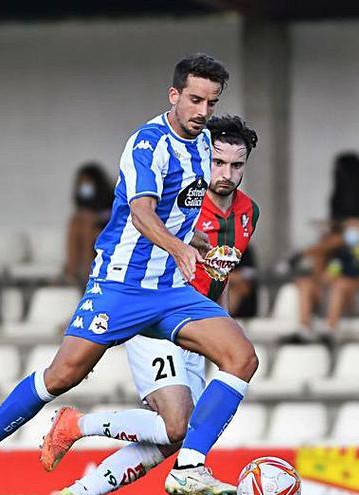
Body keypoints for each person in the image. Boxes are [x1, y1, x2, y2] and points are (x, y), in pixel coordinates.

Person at [0, 54, 258, 495]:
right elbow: (141, 212)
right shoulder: (147, 144)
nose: (203, 112)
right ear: (174, 95)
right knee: (61, 376)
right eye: (195, 100)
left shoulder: (203, 145)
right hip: (120, 286)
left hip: (169, 290)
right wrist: (180, 246)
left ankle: (189, 468)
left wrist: (197, 244)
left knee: (240, 359)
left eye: (211, 102)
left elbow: (178, 208)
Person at [41, 115, 260, 495]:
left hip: (199, 328)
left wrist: (221, 326)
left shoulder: (247, 213)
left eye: (236, 165)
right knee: (177, 425)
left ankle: (78, 491)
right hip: (157, 315)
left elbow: (220, 273)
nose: (225, 173)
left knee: (174, 436)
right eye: (217, 162)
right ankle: (78, 425)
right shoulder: (180, 204)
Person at [294, 216, 359, 337]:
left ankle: (330, 331)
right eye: (347, 229)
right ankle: (304, 330)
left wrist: (345, 284)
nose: (349, 232)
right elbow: (326, 279)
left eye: (354, 227)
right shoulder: (344, 253)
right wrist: (320, 254)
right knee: (305, 283)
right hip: (337, 296)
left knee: (340, 285)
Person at [298, 152, 359, 279]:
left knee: (327, 244)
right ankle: (320, 285)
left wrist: (350, 224)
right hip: (341, 237)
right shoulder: (337, 198)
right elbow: (336, 223)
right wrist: (329, 225)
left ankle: (299, 254)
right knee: (322, 250)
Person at [64, 162, 116, 285]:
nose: (84, 185)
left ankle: (85, 271)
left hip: (106, 231)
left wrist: (96, 218)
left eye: (87, 181)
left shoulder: (111, 197)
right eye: (81, 182)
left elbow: (115, 216)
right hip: (90, 233)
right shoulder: (84, 204)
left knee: (86, 224)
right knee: (75, 223)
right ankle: (73, 271)